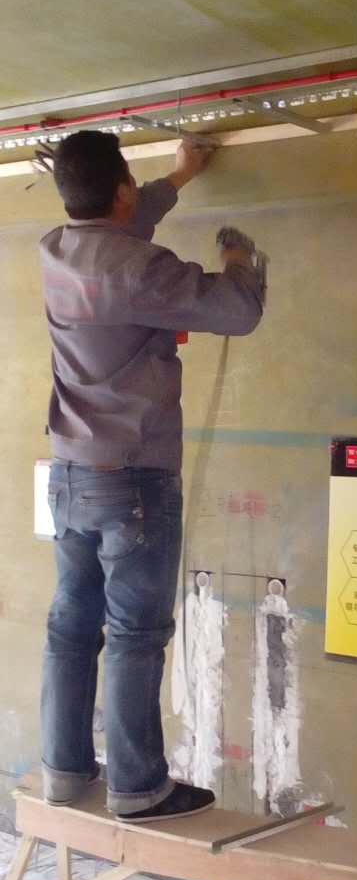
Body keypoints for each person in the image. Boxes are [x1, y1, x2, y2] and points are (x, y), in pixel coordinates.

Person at [39, 130, 265, 822]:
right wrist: (239, 260)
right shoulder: (140, 269)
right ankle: (138, 788)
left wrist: (179, 178)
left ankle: (64, 773)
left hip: (71, 475)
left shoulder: (55, 248)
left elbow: (122, 229)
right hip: (133, 479)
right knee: (134, 634)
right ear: (121, 190)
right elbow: (238, 312)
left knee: (71, 627)